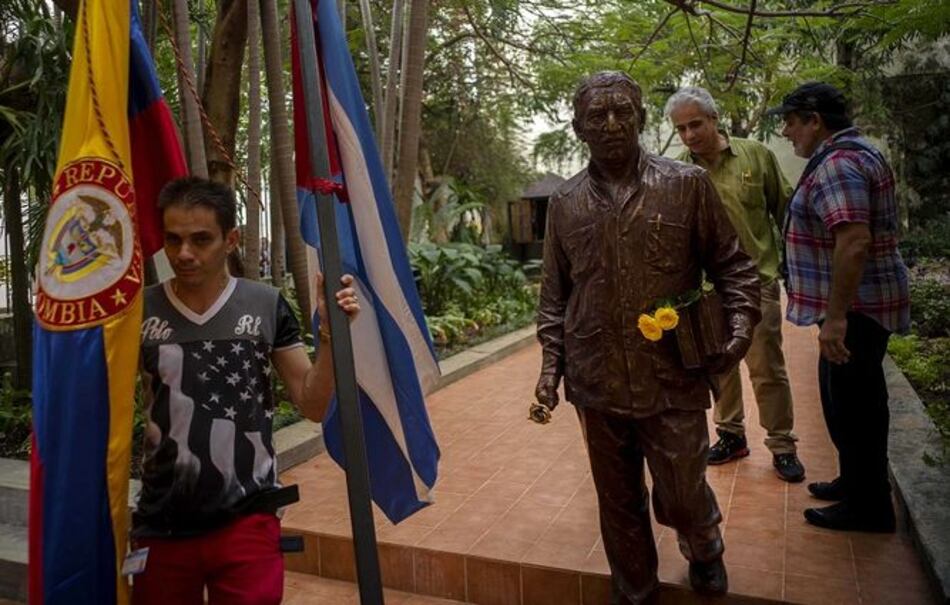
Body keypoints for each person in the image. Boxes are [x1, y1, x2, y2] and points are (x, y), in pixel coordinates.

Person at [532, 71, 761, 603]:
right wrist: (550, 367)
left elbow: (734, 267)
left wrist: (739, 330)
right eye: (597, 116)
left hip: (672, 370)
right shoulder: (565, 203)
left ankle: (703, 543)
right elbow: (553, 297)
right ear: (578, 128)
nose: (611, 124)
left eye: (622, 113)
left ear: (638, 118)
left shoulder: (686, 185)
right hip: (596, 375)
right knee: (618, 502)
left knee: (681, 491)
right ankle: (634, 591)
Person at [131, 177, 359, 604]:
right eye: (173, 239)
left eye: (201, 239)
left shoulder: (265, 305)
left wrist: (330, 335)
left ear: (230, 239)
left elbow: (311, 403)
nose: (184, 253)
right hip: (162, 520)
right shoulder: (139, 310)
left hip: (247, 519)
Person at [767, 82, 910, 532]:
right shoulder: (848, 155)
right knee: (844, 398)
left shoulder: (840, 164)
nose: (788, 132)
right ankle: (855, 483)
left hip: (857, 311)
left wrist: (836, 318)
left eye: (791, 122)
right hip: (858, 308)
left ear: (815, 120)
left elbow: (853, 242)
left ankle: (869, 507)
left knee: (856, 405)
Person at [665, 86, 804, 483]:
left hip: (757, 282)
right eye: (681, 129)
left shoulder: (756, 156)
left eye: (696, 124)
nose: (690, 135)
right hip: (707, 291)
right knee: (721, 367)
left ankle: (782, 445)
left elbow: (786, 215)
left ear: (714, 119)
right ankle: (730, 435)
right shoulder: (678, 172)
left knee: (767, 368)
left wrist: (795, 273)